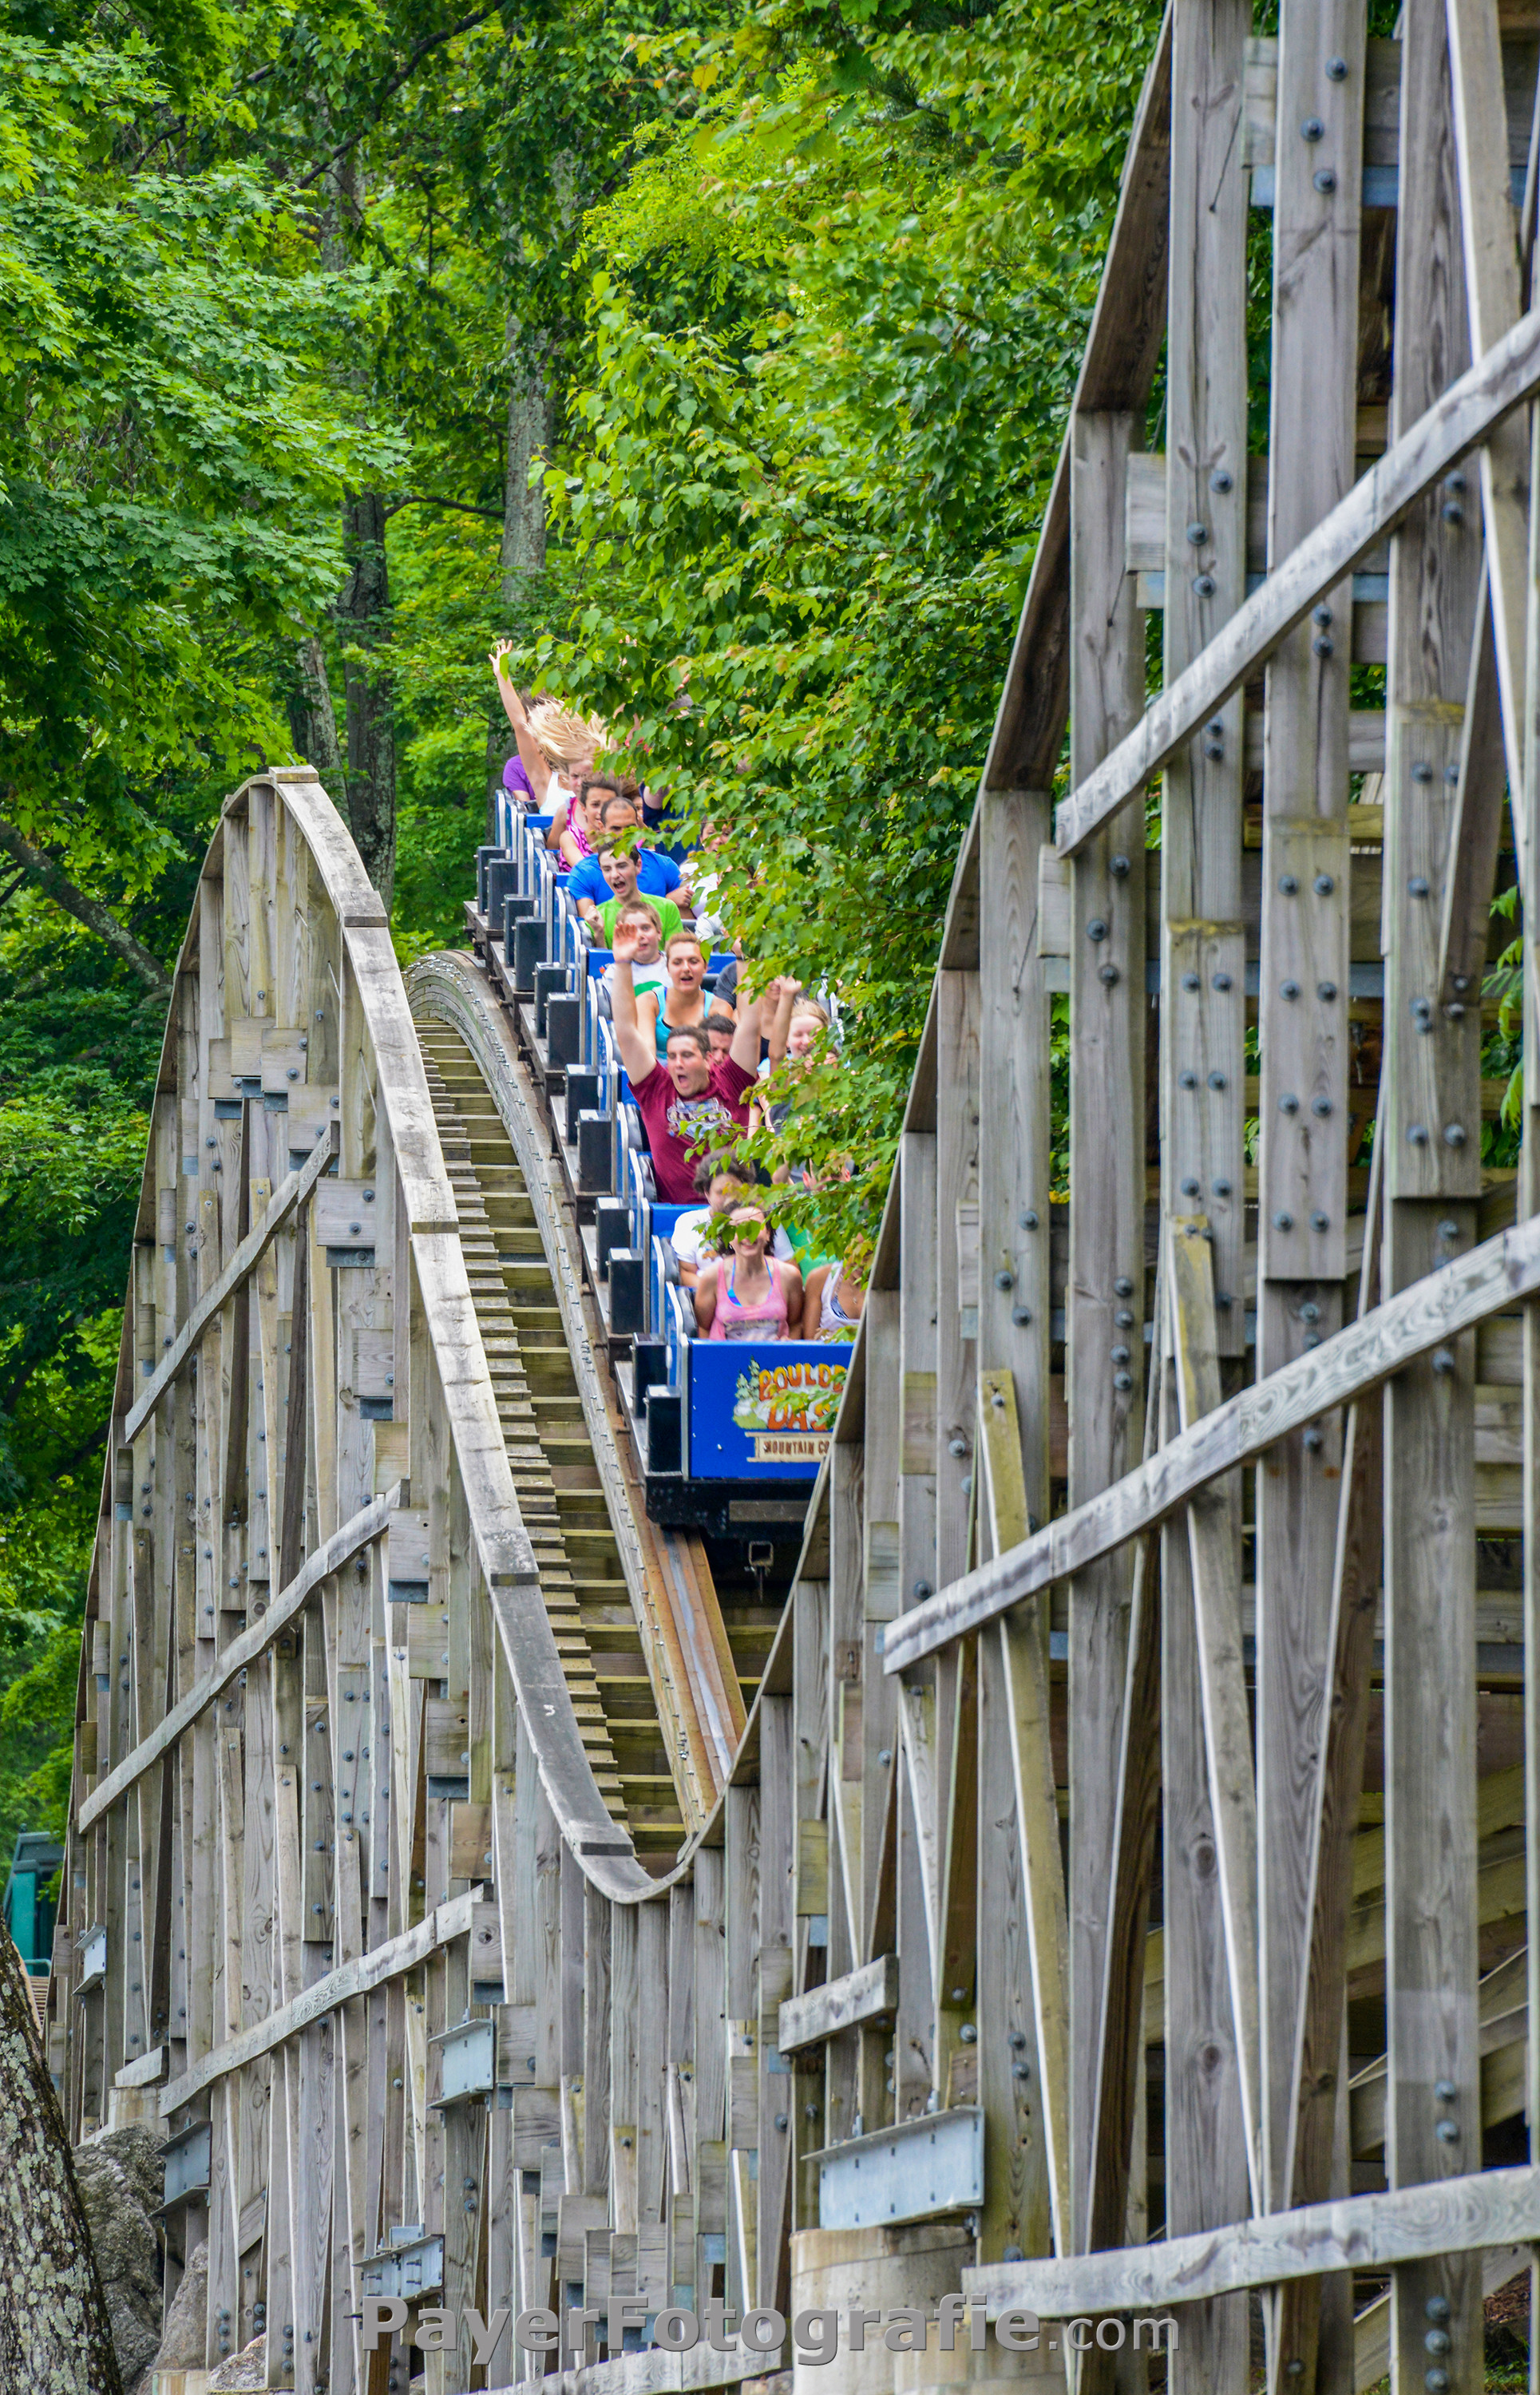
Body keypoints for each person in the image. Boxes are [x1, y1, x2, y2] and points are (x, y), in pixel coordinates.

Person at [608, 920, 770, 1203]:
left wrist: (744, 958)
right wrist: (622, 963)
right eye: (671, 1057)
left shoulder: (731, 1080)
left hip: (741, 1211)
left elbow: (751, 1025)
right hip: (680, 1220)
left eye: (686, 1055)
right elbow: (625, 1032)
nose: (677, 1064)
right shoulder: (656, 1088)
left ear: (709, 1060)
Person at [671, 1153, 794, 1287]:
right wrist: (722, 1295)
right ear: (707, 1192)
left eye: (734, 1191)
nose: (728, 1198)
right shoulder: (689, 1222)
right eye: (721, 1192)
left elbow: (789, 1267)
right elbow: (685, 1273)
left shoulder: (763, 1218)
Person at [568, 791, 691, 920]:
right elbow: (590, 926)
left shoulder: (664, 866)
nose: (623, 835)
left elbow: (686, 920)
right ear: (602, 828)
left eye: (629, 828)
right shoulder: (584, 872)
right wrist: (667, 901)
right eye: (615, 828)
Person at [695, 1207, 804, 1340]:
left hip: (777, 1360)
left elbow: (795, 1325)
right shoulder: (712, 1277)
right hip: (726, 1359)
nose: (747, 1234)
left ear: (768, 1233)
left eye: (755, 1226)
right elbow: (703, 1328)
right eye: (738, 1228)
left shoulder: (789, 1276)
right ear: (728, 1237)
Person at [639, 932, 717, 1063]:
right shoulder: (648, 1002)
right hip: (658, 1079)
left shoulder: (719, 1007)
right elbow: (646, 1057)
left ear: (705, 967)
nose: (686, 968)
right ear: (668, 969)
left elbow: (716, 1061)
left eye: (693, 961)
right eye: (677, 962)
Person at [591, 849, 684, 950]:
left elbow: (676, 956)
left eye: (622, 866)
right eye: (607, 869)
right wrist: (599, 934)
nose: (615, 875)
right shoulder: (597, 917)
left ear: (638, 866)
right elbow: (600, 965)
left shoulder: (667, 907)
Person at [600, 899, 671, 1007]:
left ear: (659, 933)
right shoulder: (615, 973)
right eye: (631, 930)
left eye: (646, 928)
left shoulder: (676, 964)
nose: (640, 936)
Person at [803, 1249, 865, 1341]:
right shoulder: (820, 1278)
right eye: (855, 1253)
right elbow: (810, 1339)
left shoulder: (889, 1283)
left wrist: (839, 1335)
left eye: (868, 1254)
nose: (861, 1261)